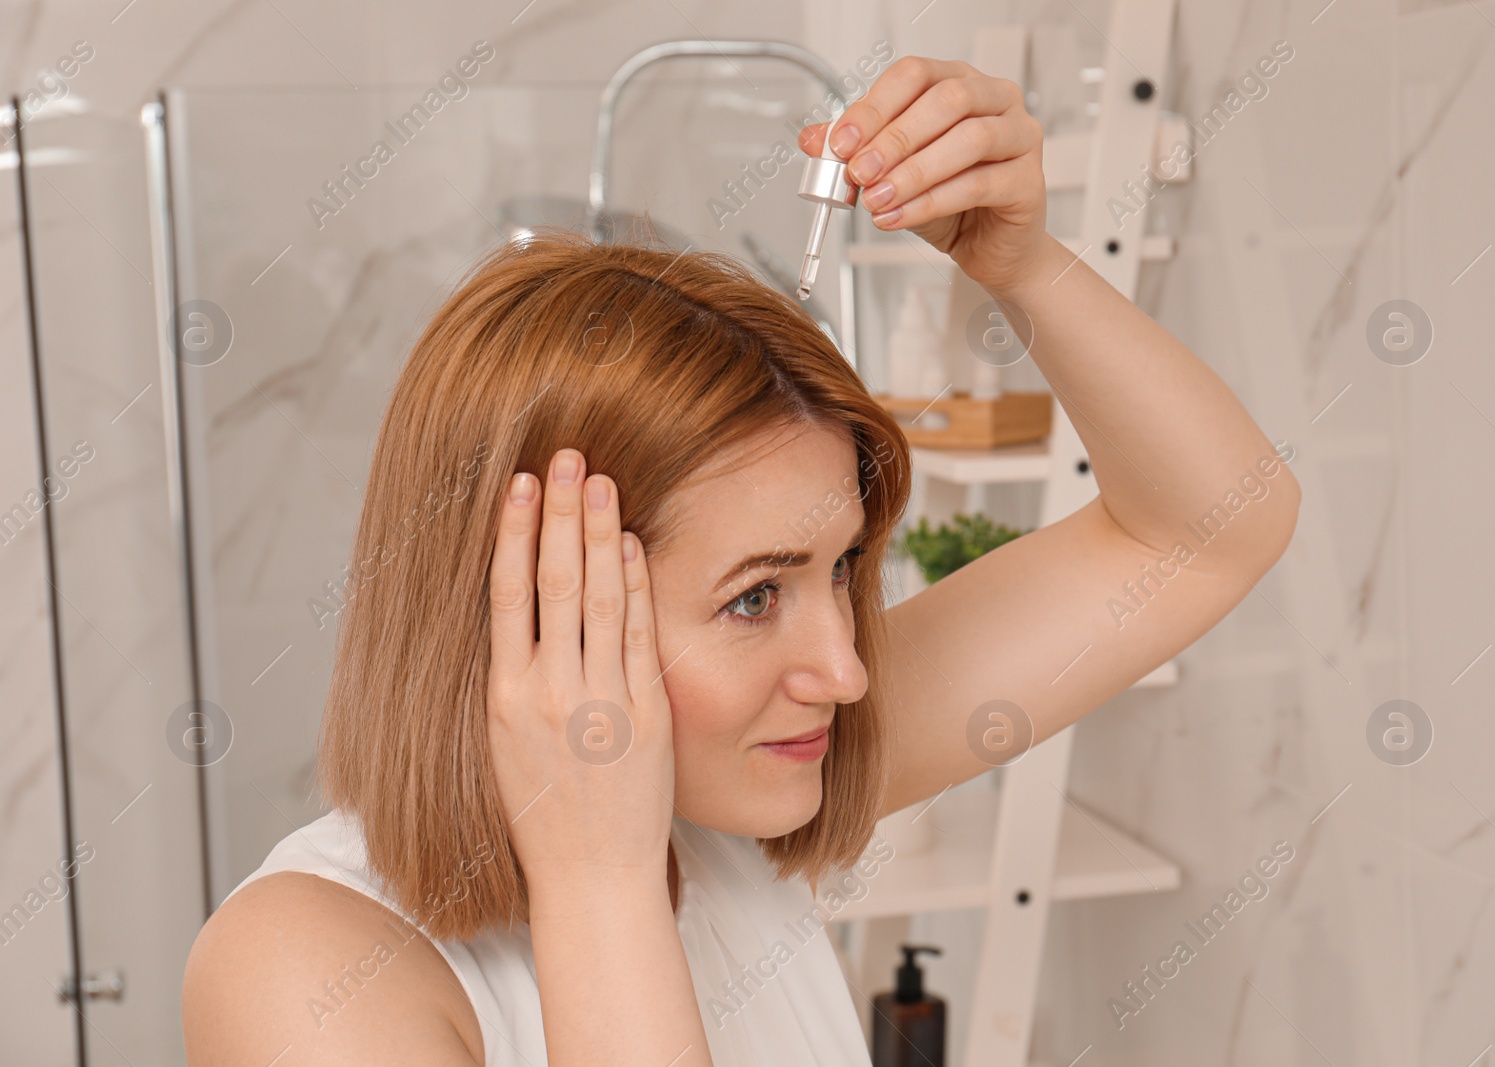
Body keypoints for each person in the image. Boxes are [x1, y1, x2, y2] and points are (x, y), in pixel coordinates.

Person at [180, 54, 1301, 1066]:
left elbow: (1207, 528)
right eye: (754, 594)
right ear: (524, 611)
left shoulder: (716, 796)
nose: (846, 670)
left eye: (840, 568)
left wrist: (1021, 264)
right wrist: (599, 882)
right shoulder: (302, 967)